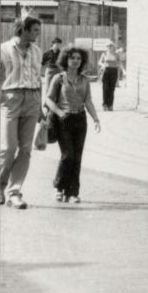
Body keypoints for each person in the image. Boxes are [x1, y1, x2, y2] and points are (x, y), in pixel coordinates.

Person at [45, 45, 101, 203]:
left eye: (78, 58)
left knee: (77, 157)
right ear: (66, 59)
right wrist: (59, 112)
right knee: (67, 155)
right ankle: (58, 187)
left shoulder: (84, 80)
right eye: (72, 58)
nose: (75, 61)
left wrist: (96, 118)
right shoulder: (58, 78)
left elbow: (88, 100)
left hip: (80, 120)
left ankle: (73, 193)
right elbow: (48, 99)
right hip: (63, 119)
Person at [0, 15, 45, 209]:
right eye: (35, 30)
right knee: (8, 148)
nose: (38, 33)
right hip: (11, 99)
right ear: (23, 30)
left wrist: (40, 106)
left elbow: (38, 78)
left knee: (25, 149)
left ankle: (14, 192)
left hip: (33, 99)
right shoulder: (3, 49)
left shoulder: (37, 51)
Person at [97, 43, 123, 110]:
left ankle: (110, 105)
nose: (110, 48)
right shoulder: (104, 54)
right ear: (107, 47)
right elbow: (99, 62)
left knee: (112, 89)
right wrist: (102, 65)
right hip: (106, 71)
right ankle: (105, 104)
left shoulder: (116, 54)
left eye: (111, 47)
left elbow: (119, 64)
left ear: (113, 47)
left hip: (114, 72)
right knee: (105, 88)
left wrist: (122, 73)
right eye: (109, 47)